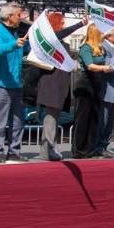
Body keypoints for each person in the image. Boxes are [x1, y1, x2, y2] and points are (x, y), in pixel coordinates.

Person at [35, 11, 85, 161]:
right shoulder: (51, 39)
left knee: (54, 117)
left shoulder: (60, 43)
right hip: (52, 83)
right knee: (50, 117)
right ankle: (47, 149)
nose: (64, 25)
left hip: (59, 83)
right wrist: (80, 24)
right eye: (62, 22)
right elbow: (60, 35)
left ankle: (50, 148)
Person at [0, 2, 28, 163]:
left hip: (16, 83)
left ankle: (14, 151)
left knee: (18, 120)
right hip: (1, 84)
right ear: (9, 17)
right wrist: (14, 44)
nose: (21, 18)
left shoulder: (14, 33)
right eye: (18, 15)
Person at [73, 24, 114, 158]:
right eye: (101, 33)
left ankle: (90, 149)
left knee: (94, 118)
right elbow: (90, 65)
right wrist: (104, 68)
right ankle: (79, 149)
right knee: (83, 118)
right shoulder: (86, 48)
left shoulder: (100, 48)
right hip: (85, 84)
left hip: (97, 84)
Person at [94, 26, 114, 158]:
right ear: (108, 36)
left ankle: (104, 145)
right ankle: (99, 146)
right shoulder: (104, 47)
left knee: (110, 121)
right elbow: (109, 66)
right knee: (104, 119)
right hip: (107, 89)